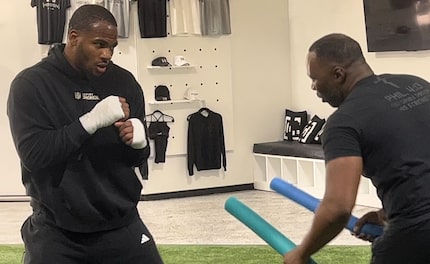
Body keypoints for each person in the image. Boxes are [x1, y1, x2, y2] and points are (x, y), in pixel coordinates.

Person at [7, 5, 164, 264]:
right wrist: (90, 122)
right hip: (58, 231)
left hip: (121, 224)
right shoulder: (31, 85)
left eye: (112, 46)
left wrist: (139, 144)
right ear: (73, 38)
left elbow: (135, 159)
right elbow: (35, 155)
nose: (107, 54)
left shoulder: (124, 83)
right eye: (99, 44)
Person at [283, 33, 430, 264]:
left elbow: (338, 208)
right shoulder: (416, 85)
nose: (313, 86)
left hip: (418, 231)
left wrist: (301, 253)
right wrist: (386, 213)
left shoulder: (343, 122)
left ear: (338, 74)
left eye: (314, 79)